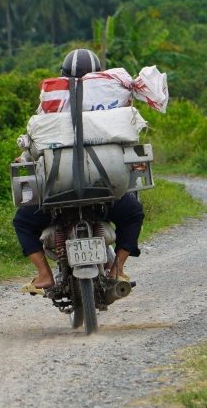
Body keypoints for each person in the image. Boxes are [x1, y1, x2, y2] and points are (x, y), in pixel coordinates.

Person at [13, 48, 146, 294]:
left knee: (23, 222)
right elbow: (129, 147)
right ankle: (117, 270)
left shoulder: (50, 108)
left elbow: (32, 148)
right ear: (99, 75)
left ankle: (44, 275)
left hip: (57, 194)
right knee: (133, 213)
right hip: (106, 191)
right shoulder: (113, 108)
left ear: (63, 75)